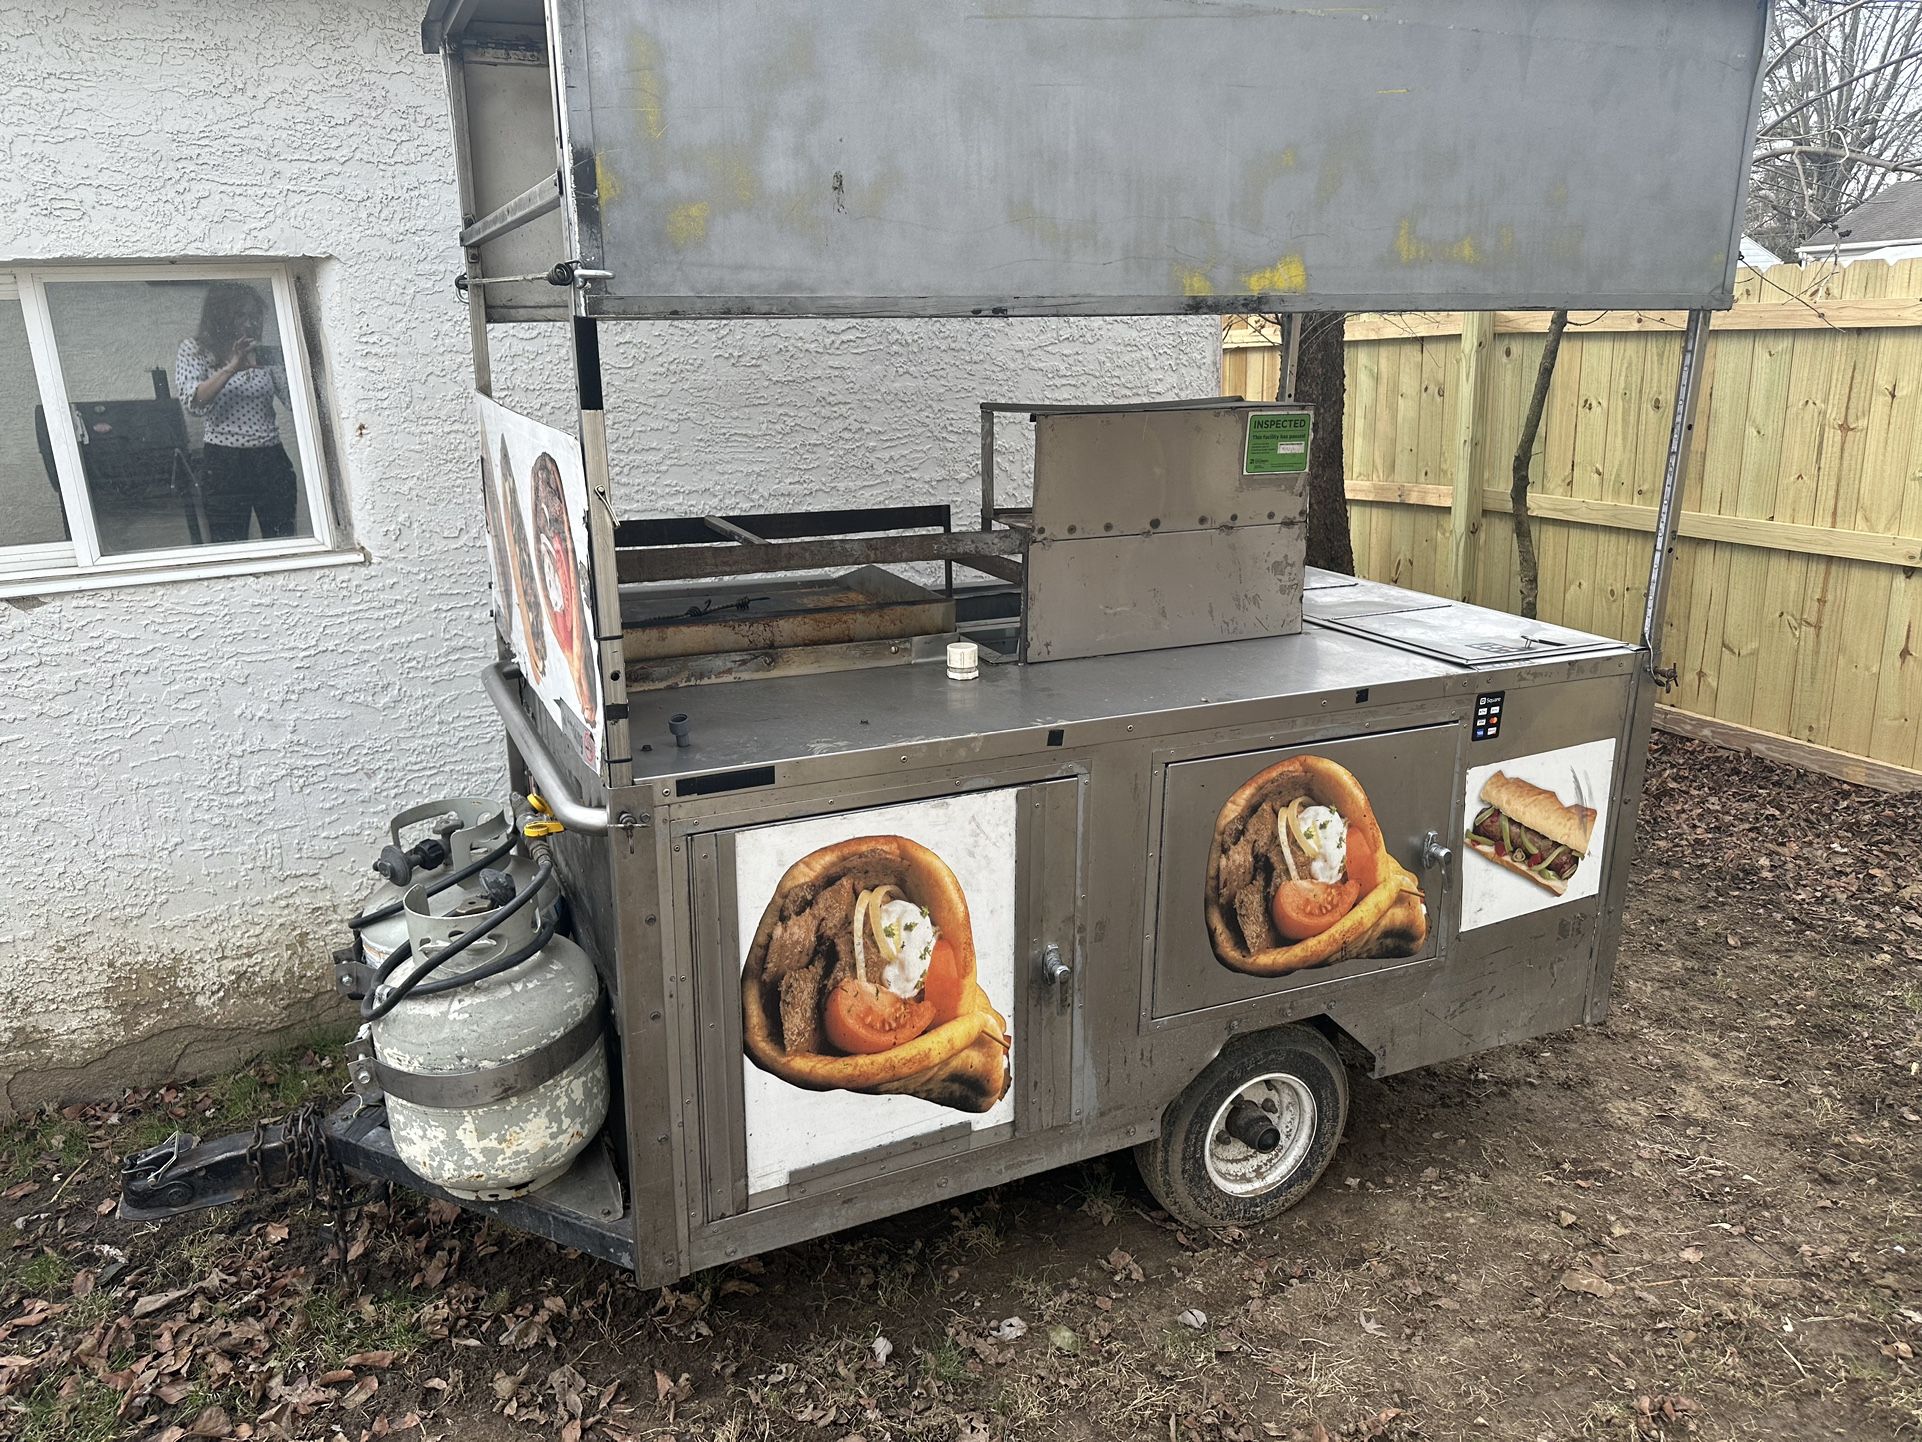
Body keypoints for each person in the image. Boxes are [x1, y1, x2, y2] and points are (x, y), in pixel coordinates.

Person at [174, 282, 297, 542]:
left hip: (270, 458)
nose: (250, 323)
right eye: (242, 315)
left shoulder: (262, 353)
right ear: (221, 314)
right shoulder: (195, 350)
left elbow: (294, 402)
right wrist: (231, 367)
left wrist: (290, 361)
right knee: (229, 542)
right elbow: (194, 403)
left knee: (283, 540)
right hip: (224, 463)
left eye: (255, 316)